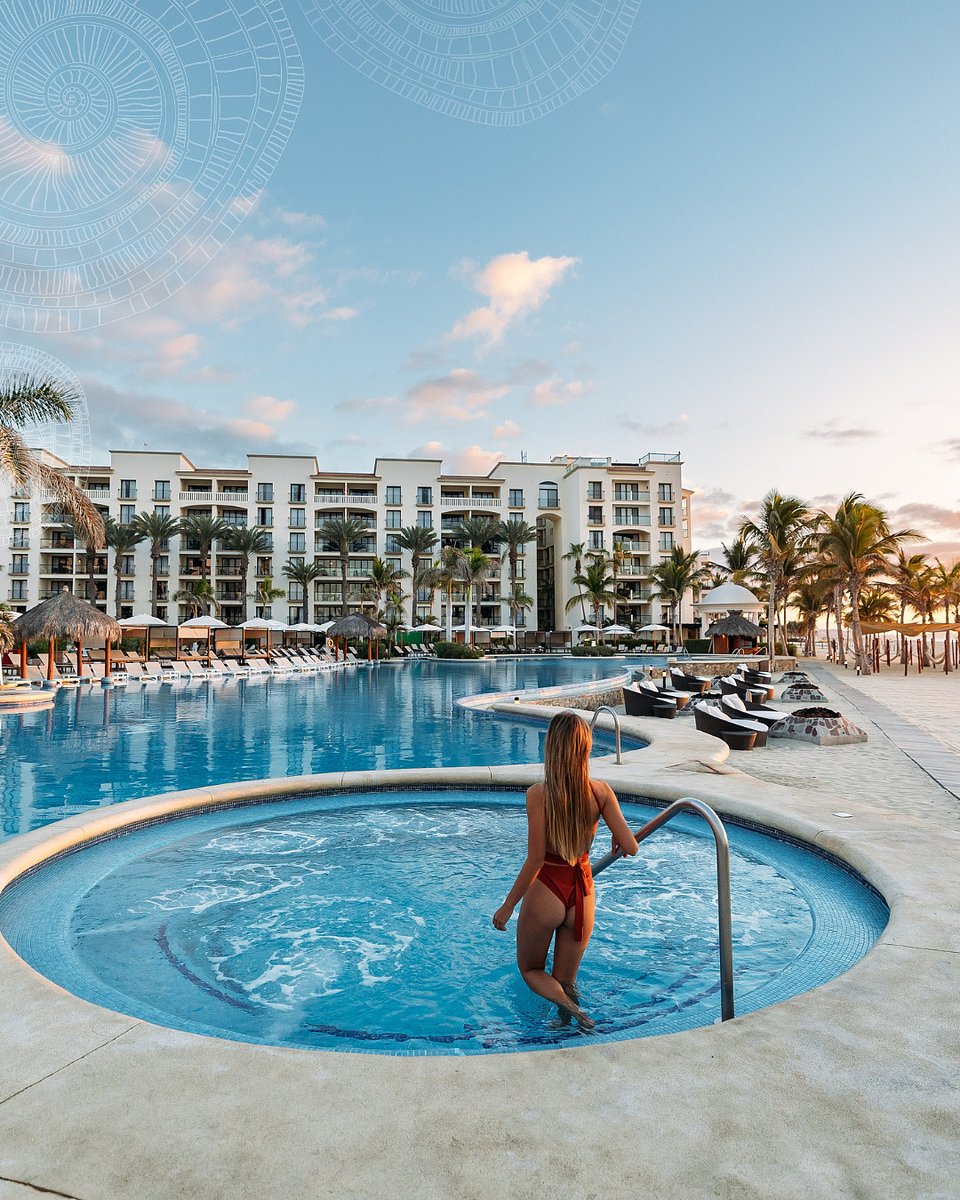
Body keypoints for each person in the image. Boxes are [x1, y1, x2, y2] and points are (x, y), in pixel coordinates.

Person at [492, 711, 639, 1029]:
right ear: (585, 749)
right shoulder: (601, 792)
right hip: (582, 892)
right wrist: (615, 830)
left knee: (532, 970)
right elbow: (631, 847)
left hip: (549, 888)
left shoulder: (538, 795)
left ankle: (572, 1011)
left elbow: (535, 860)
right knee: (567, 979)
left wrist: (508, 906)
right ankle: (570, 1019)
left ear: (552, 748)